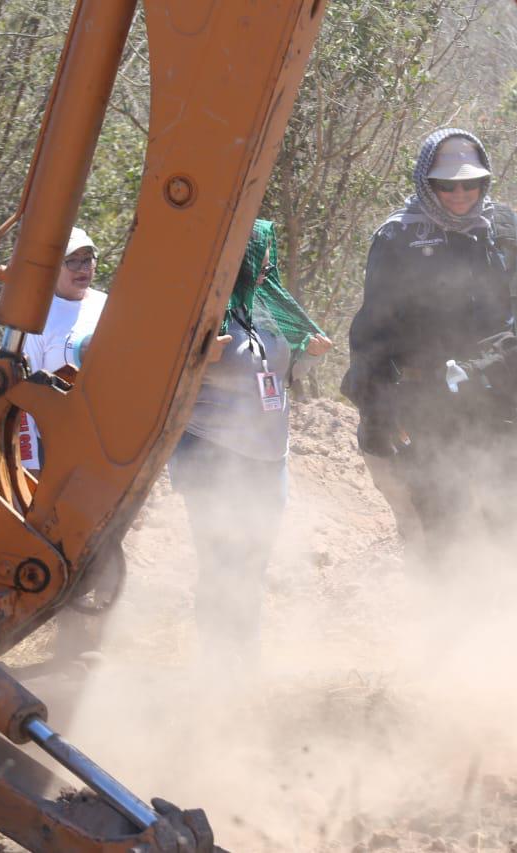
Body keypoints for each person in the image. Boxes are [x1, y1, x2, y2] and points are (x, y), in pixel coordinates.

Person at [342, 128, 517, 560]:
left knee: (512, 512)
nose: (461, 193)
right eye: (447, 185)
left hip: (502, 394)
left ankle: (516, 599)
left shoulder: (506, 229)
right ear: (427, 183)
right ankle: (447, 601)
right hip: (426, 399)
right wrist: (375, 410)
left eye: (471, 183)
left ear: (485, 180)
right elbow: (373, 329)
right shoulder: (398, 237)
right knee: (441, 519)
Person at [169, 220, 331, 667]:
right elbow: (166, 374)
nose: (267, 263)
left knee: (254, 563)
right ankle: (217, 665)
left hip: (267, 457)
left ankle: (244, 662)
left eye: (269, 253)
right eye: (258, 253)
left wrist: (309, 356)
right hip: (213, 452)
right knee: (222, 561)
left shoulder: (267, 305)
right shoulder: (204, 306)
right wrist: (198, 357)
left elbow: (281, 376)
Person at [16, 227, 108, 470]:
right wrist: (31, 464)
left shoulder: (108, 304)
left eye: (87, 259)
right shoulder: (37, 316)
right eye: (72, 261)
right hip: (54, 445)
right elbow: (25, 395)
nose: (83, 268)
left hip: (105, 439)